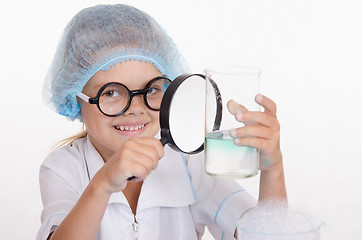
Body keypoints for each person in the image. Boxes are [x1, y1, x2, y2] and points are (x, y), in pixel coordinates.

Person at [37, 4, 287, 240]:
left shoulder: (190, 164)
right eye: (111, 92)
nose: (135, 108)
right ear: (75, 100)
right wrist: (101, 185)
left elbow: (262, 234)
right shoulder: (63, 169)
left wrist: (273, 169)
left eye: (152, 89)